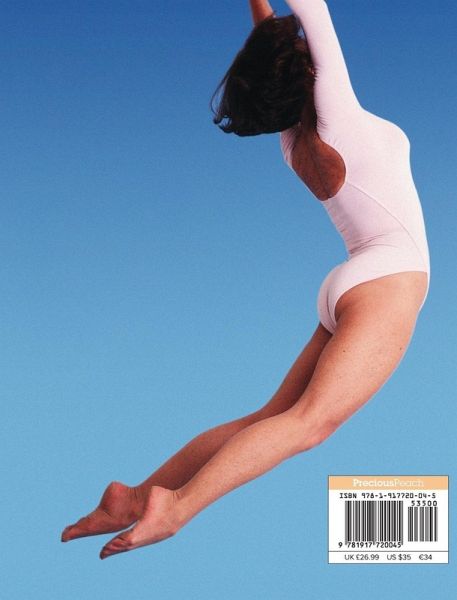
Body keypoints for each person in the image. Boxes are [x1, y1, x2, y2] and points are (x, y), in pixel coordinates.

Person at [61, 0, 430, 559]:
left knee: (271, 418)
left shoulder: (293, 135)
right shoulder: (339, 117)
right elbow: (312, 11)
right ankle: (175, 507)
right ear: (307, 70)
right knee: (307, 424)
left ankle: (131, 499)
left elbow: (272, 49)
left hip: (355, 282)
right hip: (387, 280)